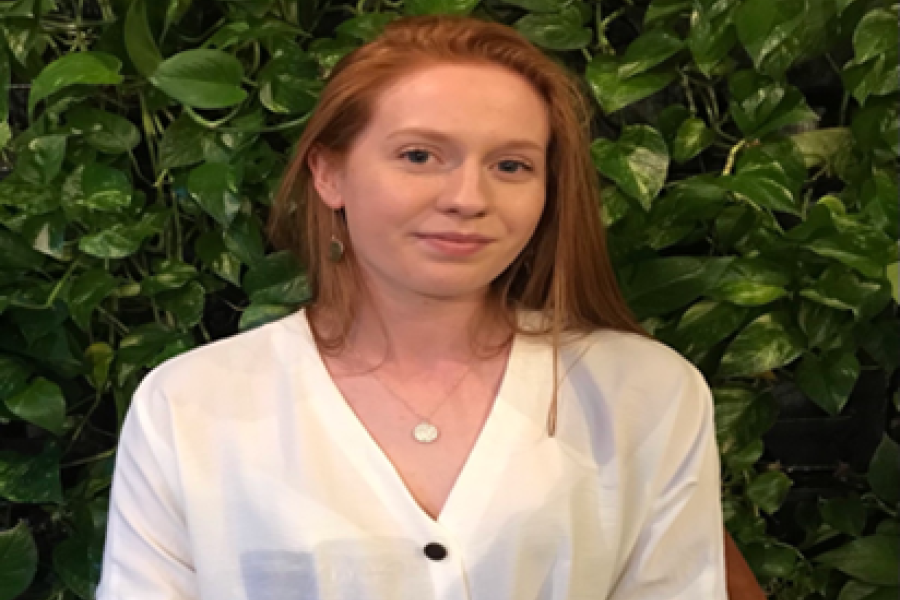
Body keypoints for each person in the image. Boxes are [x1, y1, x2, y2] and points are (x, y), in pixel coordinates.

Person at [96, 13, 766, 600]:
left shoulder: (642, 393)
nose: (468, 197)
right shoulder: (190, 408)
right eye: (420, 155)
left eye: (511, 165)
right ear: (329, 172)